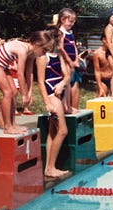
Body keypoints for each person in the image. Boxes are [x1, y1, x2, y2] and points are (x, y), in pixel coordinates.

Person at [0, 30, 57, 134]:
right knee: (8, 93)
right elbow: (20, 74)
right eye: (44, 50)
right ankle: (7, 126)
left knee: (14, 92)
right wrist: (24, 95)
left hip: (3, 64)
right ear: (37, 45)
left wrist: (29, 92)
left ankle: (12, 124)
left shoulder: (31, 52)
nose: (43, 54)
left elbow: (28, 73)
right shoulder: (23, 50)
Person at [36, 26, 69, 178]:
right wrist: (47, 103)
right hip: (51, 96)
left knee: (52, 132)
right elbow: (41, 82)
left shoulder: (58, 55)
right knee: (63, 131)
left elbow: (67, 76)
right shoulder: (43, 57)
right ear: (55, 39)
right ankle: (50, 167)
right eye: (62, 39)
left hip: (59, 93)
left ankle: (49, 167)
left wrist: (62, 84)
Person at [57, 8, 79, 112]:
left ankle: (69, 106)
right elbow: (61, 48)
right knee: (66, 83)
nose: (72, 23)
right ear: (62, 19)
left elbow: (74, 46)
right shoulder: (60, 32)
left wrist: (76, 59)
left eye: (73, 21)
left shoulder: (70, 32)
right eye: (70, 21)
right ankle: (66, 106)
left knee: (70, 83)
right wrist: (69, 61)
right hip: (64, 61)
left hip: (72, 61)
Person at [93, 32, 113, 97]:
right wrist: (100, 86)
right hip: (103, 80)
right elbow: (97, 71)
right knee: (101, 99)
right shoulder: (97, 53)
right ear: (104, 40)